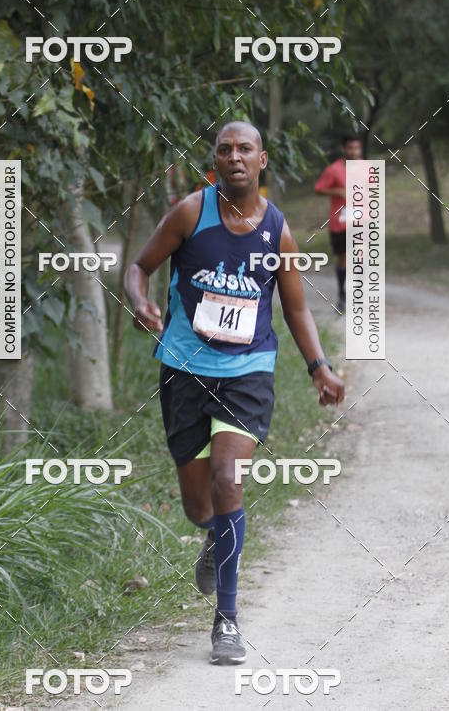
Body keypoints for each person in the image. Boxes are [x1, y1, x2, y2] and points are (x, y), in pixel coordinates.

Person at [124, 121, 344, 665]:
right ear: (214, 163)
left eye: (245, 149)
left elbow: (294, 308)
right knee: (199, 503)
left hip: (248, 371)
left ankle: (226, 620)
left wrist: (318, 365)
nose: (235, 157)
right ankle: (213, 534)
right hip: (183, 368)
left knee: (229, 479)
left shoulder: (277, 231)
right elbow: (138, 267)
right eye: (225, 150)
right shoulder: (188, 215)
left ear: (262, 160)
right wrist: (140, 301)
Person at [314, 134, 363, 311]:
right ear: (344, 148)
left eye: (357, 148)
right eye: (350, 148)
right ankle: (343, 295)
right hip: (340, 222)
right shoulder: (333, 170)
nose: (354, 151)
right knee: (343, 259)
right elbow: (318, 189)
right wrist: (337, 191)